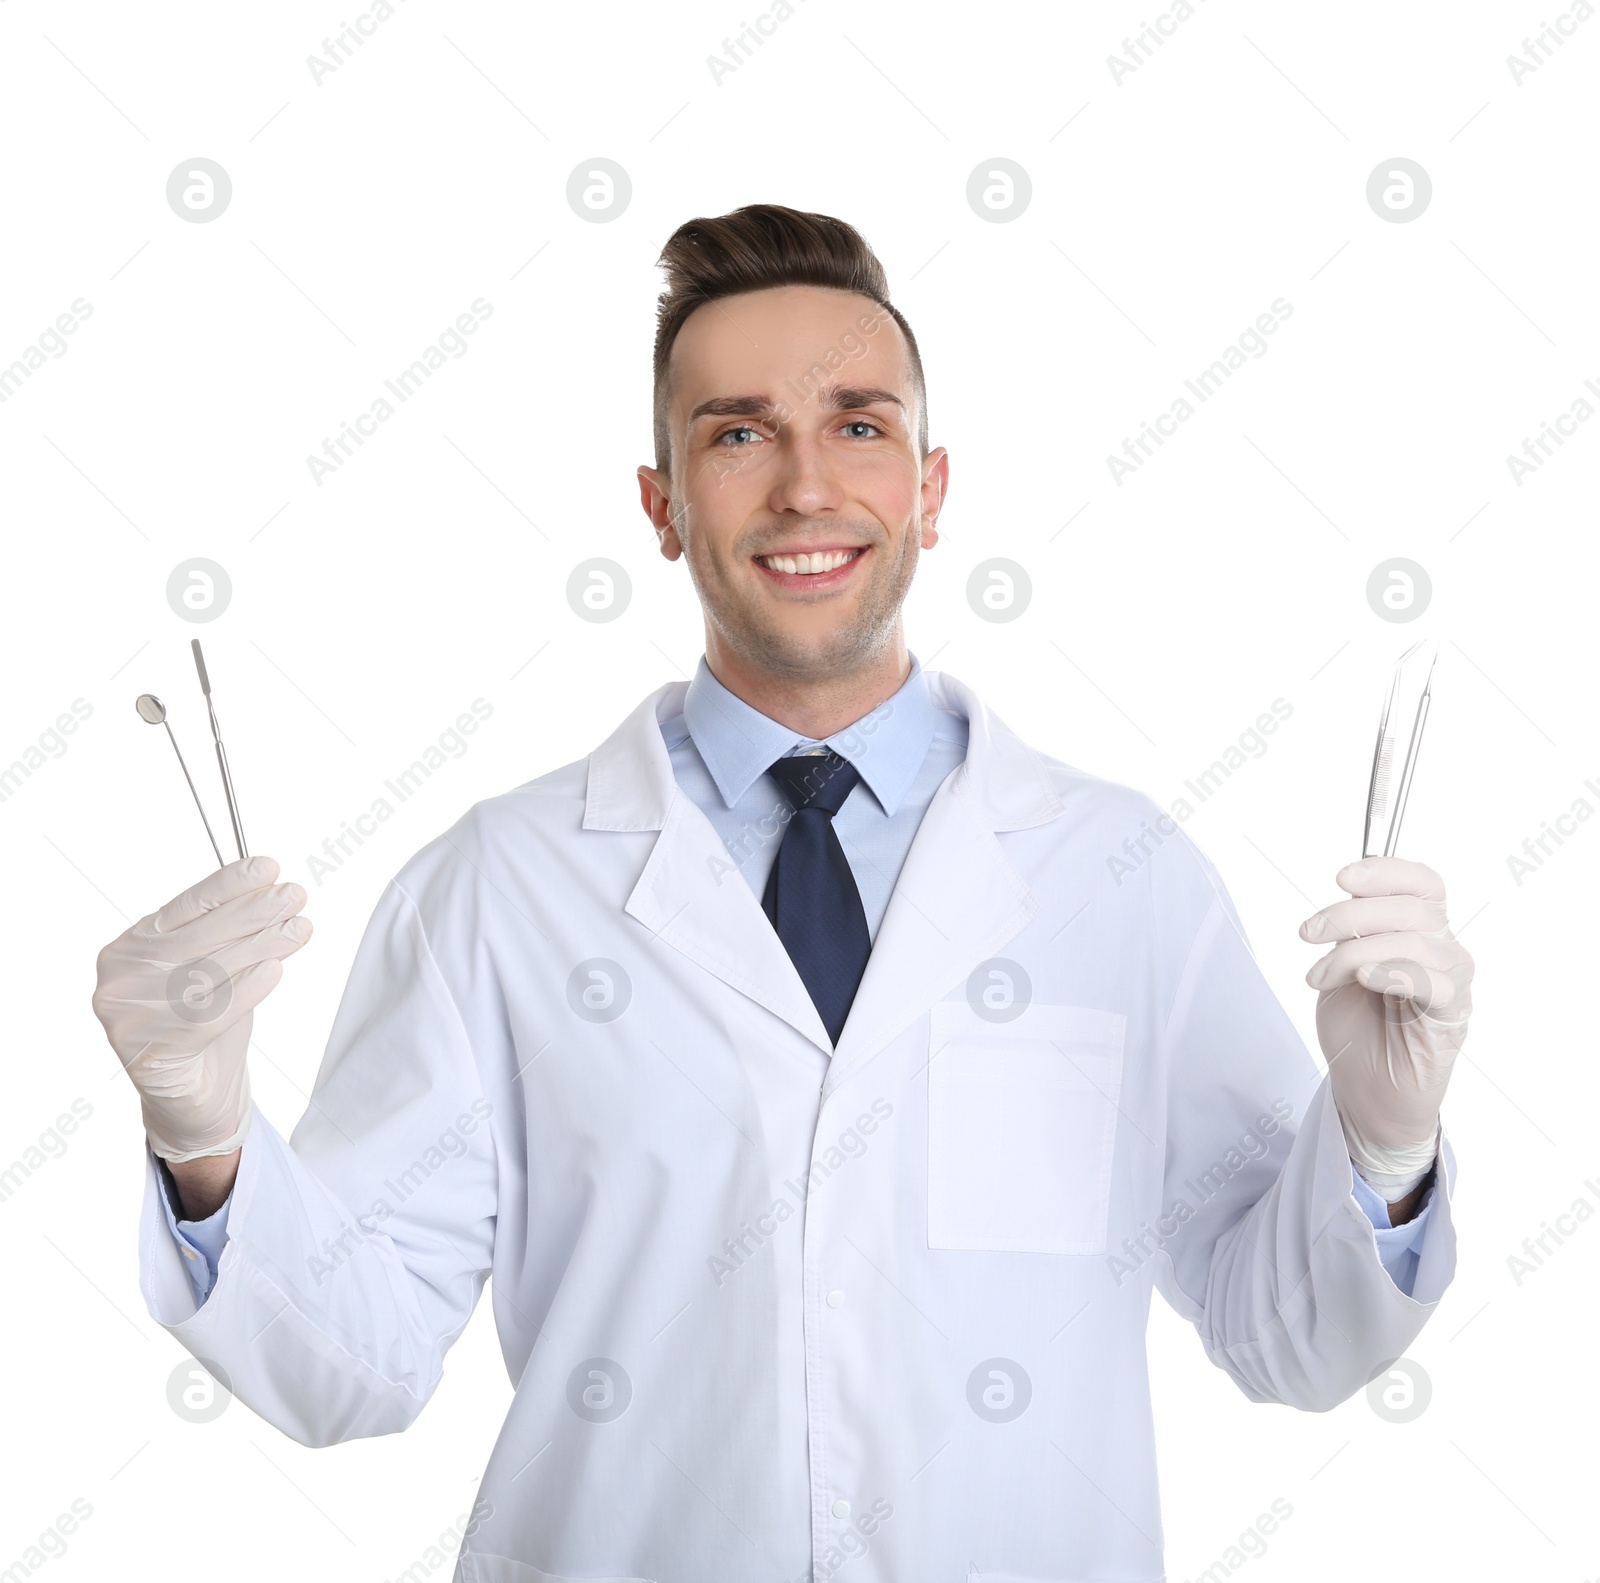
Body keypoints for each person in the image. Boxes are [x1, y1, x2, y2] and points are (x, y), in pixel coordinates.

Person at [93, 204, 1472, 1583]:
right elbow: (361, 1362)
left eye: (859, 426)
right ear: (662, 506)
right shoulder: (498, 890)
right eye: (739, 433)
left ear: (932, 489)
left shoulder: (1121, 881)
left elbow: (1283, 1337)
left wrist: (1385, 1147)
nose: (807, 487)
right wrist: (205, 1142)